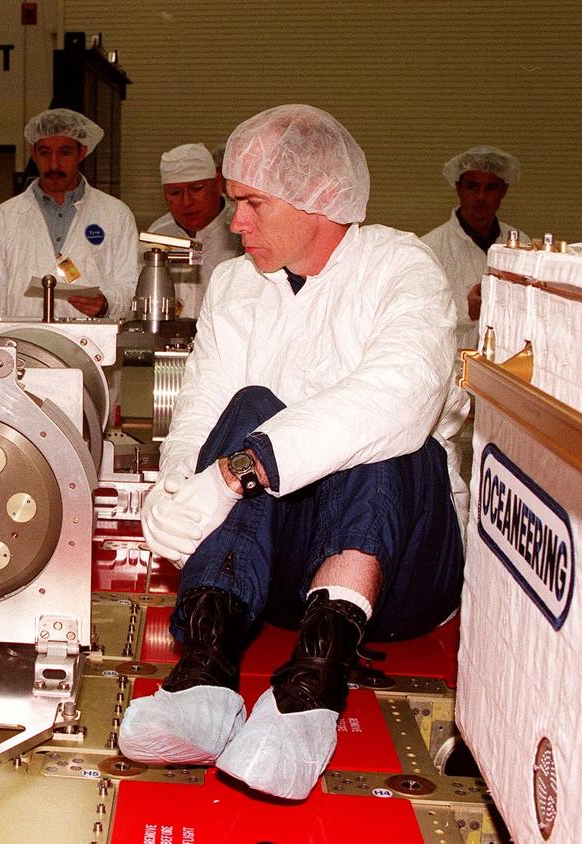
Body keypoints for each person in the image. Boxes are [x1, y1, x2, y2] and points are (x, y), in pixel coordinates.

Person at [117, 105, 468, 802]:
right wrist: (179, 491)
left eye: (250, 203)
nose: (232, 222)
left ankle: (313, 688)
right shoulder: (236, 285)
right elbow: (203, 410)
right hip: (276, 574)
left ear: (318, 200)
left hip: (399, 573)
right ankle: (207, 674)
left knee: (392, 436)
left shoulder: (404, 269)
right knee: (249, 405)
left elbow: (398, 394)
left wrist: (239, 472)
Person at [0, 108, 138, 320]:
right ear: (33, 153)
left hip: (91, 343)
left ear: (82, 152)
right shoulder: (5, 216)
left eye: (65, 152)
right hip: (22, 342)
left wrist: (107, 303)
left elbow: (131, 286)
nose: (54, 164)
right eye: (44, 153)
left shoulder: (116, 214)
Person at [420, 146, 525, 351]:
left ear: (504, 190)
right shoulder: (430, 248)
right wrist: (467, 311)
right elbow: (419, 317)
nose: (481, 196)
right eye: (472, 186)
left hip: (506, 364)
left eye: (491, 187)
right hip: (452, 367)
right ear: (459, 188)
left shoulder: (521, 245)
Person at [149, 143, 242, 318]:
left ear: (217, 184)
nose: (187, 202)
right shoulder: (157, 236)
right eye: (175, 192)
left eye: (197, 189)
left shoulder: (240, 232)